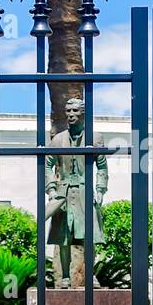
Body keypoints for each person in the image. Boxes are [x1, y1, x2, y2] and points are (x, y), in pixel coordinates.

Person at [45, 97, 108, 288]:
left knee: (88, 236)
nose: (71, 115)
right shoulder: (58, 140)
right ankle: (64, 277)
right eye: (68, 111)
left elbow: (102, 166)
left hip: (84, 191)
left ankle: (90, 275)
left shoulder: (95, 138)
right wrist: (52, 189)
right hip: (62, 193)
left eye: (75, 111)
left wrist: (99, 190)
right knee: (63, 237)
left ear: (83, 114)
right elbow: (47, 165)